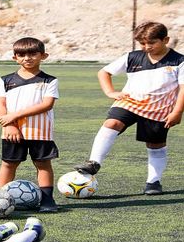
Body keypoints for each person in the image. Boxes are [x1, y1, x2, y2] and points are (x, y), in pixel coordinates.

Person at [75, 22, 184, 195]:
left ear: (166, 40)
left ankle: (153, 182)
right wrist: (110, 91)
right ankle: (93, 162)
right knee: (112, 123)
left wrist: (177, 112)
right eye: (142, 43)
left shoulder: (179, 61)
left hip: (159, 108)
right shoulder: (132, 57)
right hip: (129, 102)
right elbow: (104, 72)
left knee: (155, 145)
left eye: (151, 43)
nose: (147, 47)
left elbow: (183, 88)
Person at [0, 37, 59, 213]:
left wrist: (15, 115)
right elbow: (0, 105)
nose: (27, 58)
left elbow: (47, 105)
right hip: (12, 131)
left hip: (40, 132)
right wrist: (9, 125)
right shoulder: (5, 80)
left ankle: (47, 200)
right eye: (21, 54)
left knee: (43, 163)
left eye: (32, 54)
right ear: (14, 57)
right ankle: (0, 199)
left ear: (43, 55)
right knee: (8, 164)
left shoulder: (49, 80)